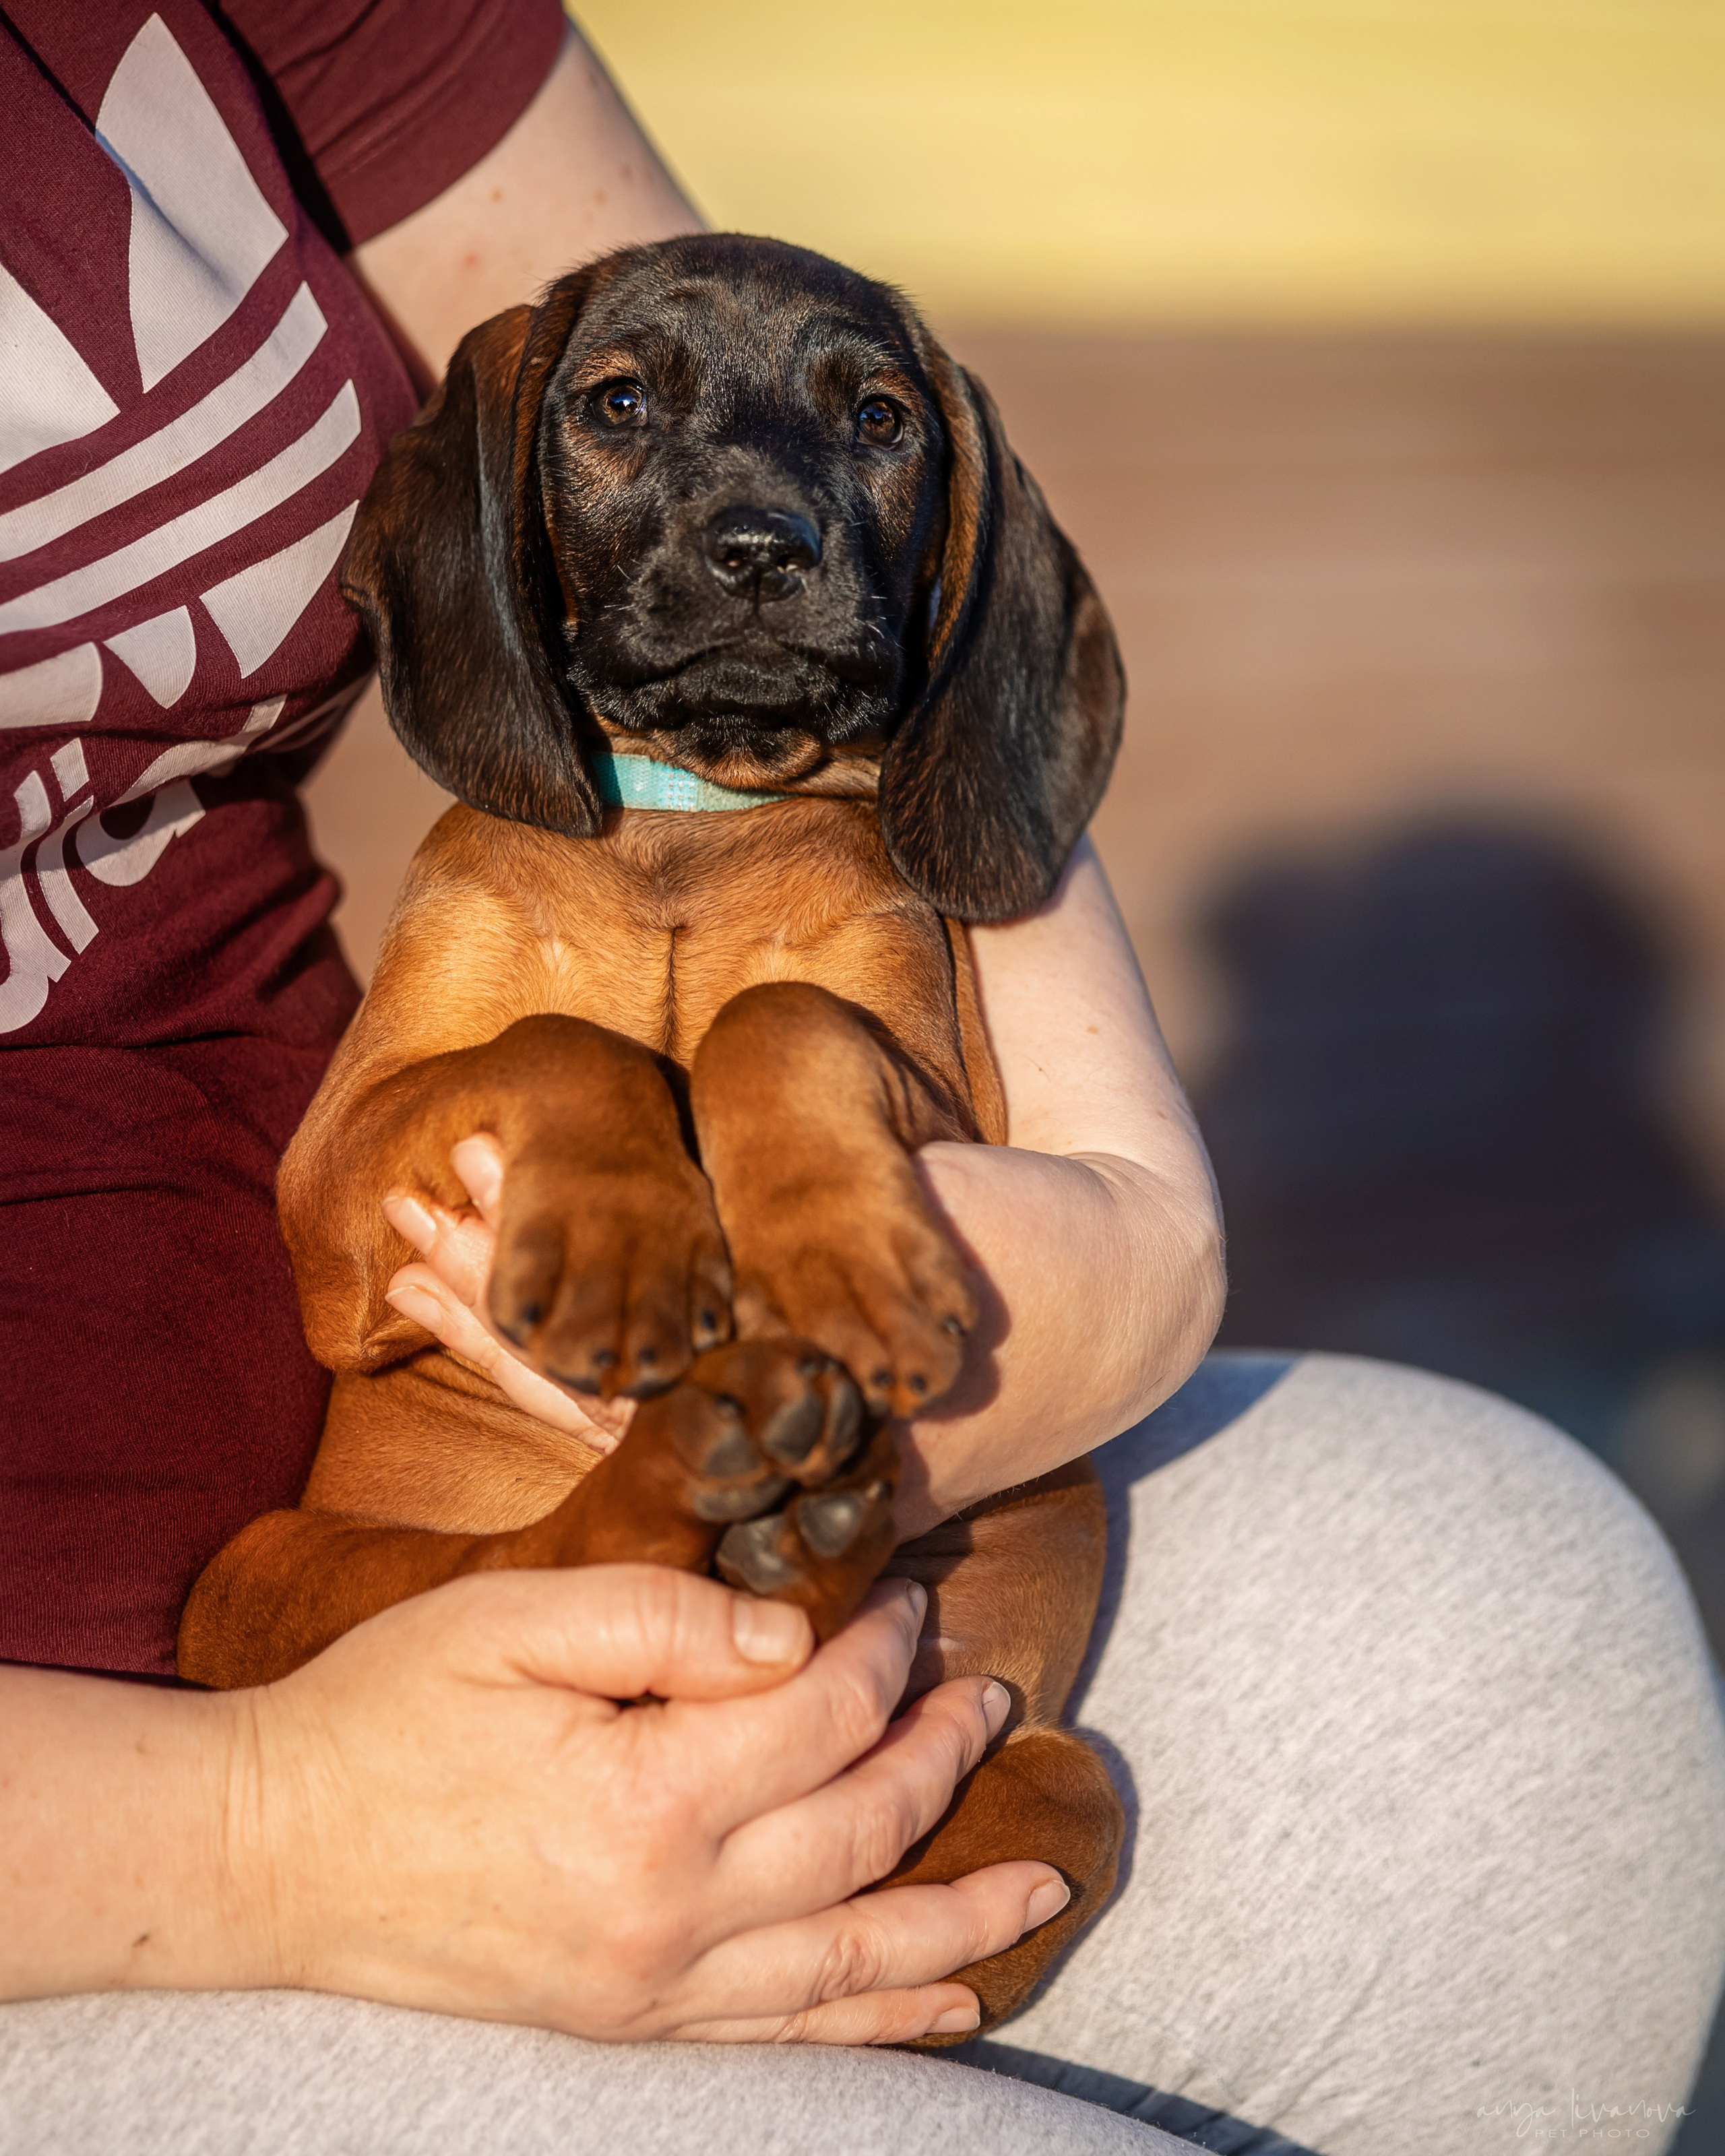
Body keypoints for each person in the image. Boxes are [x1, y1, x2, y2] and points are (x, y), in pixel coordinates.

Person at [1, 7, 1721, 2153]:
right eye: (631, 421)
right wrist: (262, 1831)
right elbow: (361, 1263)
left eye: (866, 432)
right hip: (186, 1761)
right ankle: (686, 1557)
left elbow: (1054, 1183)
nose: (759, 517)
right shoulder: (496, 890)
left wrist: (1122, 1234)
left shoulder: (862, 847)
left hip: (870, 1685)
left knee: (1518, 1613)